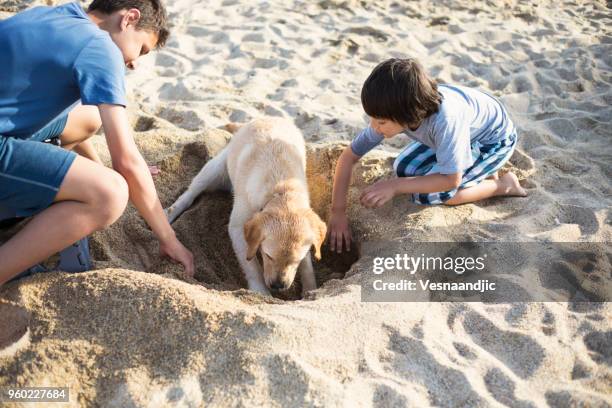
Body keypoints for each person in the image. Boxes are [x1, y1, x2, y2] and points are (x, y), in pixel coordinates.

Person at [0, 0, 194, 283]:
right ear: (129, 18)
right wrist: (169, 238)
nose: (135, 63)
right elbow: (126, 161)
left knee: (89, 117)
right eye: (141, 49)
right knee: (109, 194)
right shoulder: (100, 47)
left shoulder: (55, 15)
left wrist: (97, 169)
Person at [328, 58, 527, 253]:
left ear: (408, 115)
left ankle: (503, 185)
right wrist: (338, 212)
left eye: (380, 122)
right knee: (404, 168)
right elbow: (348, 157)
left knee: (441, 195)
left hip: (491, 141)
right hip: (465, 131)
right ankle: (480, 173)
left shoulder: (445, 121)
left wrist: (394, 186)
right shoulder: (400, 110)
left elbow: (451, 180)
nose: (374, 127)